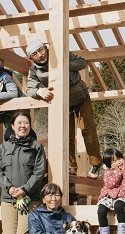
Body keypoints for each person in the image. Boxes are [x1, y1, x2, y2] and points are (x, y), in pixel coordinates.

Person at [25, 39, 103, 178]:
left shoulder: (61, 55)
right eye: (35, 54)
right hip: (61, 103)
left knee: (87, 129)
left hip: (80, 96)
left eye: (41, 50)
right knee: (66, 134)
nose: (40, 55)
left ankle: (96, 163)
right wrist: (39, 92)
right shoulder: (34, 71)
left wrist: (66, 64)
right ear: (31, 58)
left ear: (45, 48)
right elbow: (29, 89)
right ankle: (71, 166)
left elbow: (82, 62)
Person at [96, 148, 125, 234]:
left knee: (118, 206)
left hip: (124, 194)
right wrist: (118, 172)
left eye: (119, 158)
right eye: (114, 161)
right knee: (101, 210)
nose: (118, 162)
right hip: (109, 195)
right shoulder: (108, 172)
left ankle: (122, 232)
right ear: (109, 163)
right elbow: (110, 184)